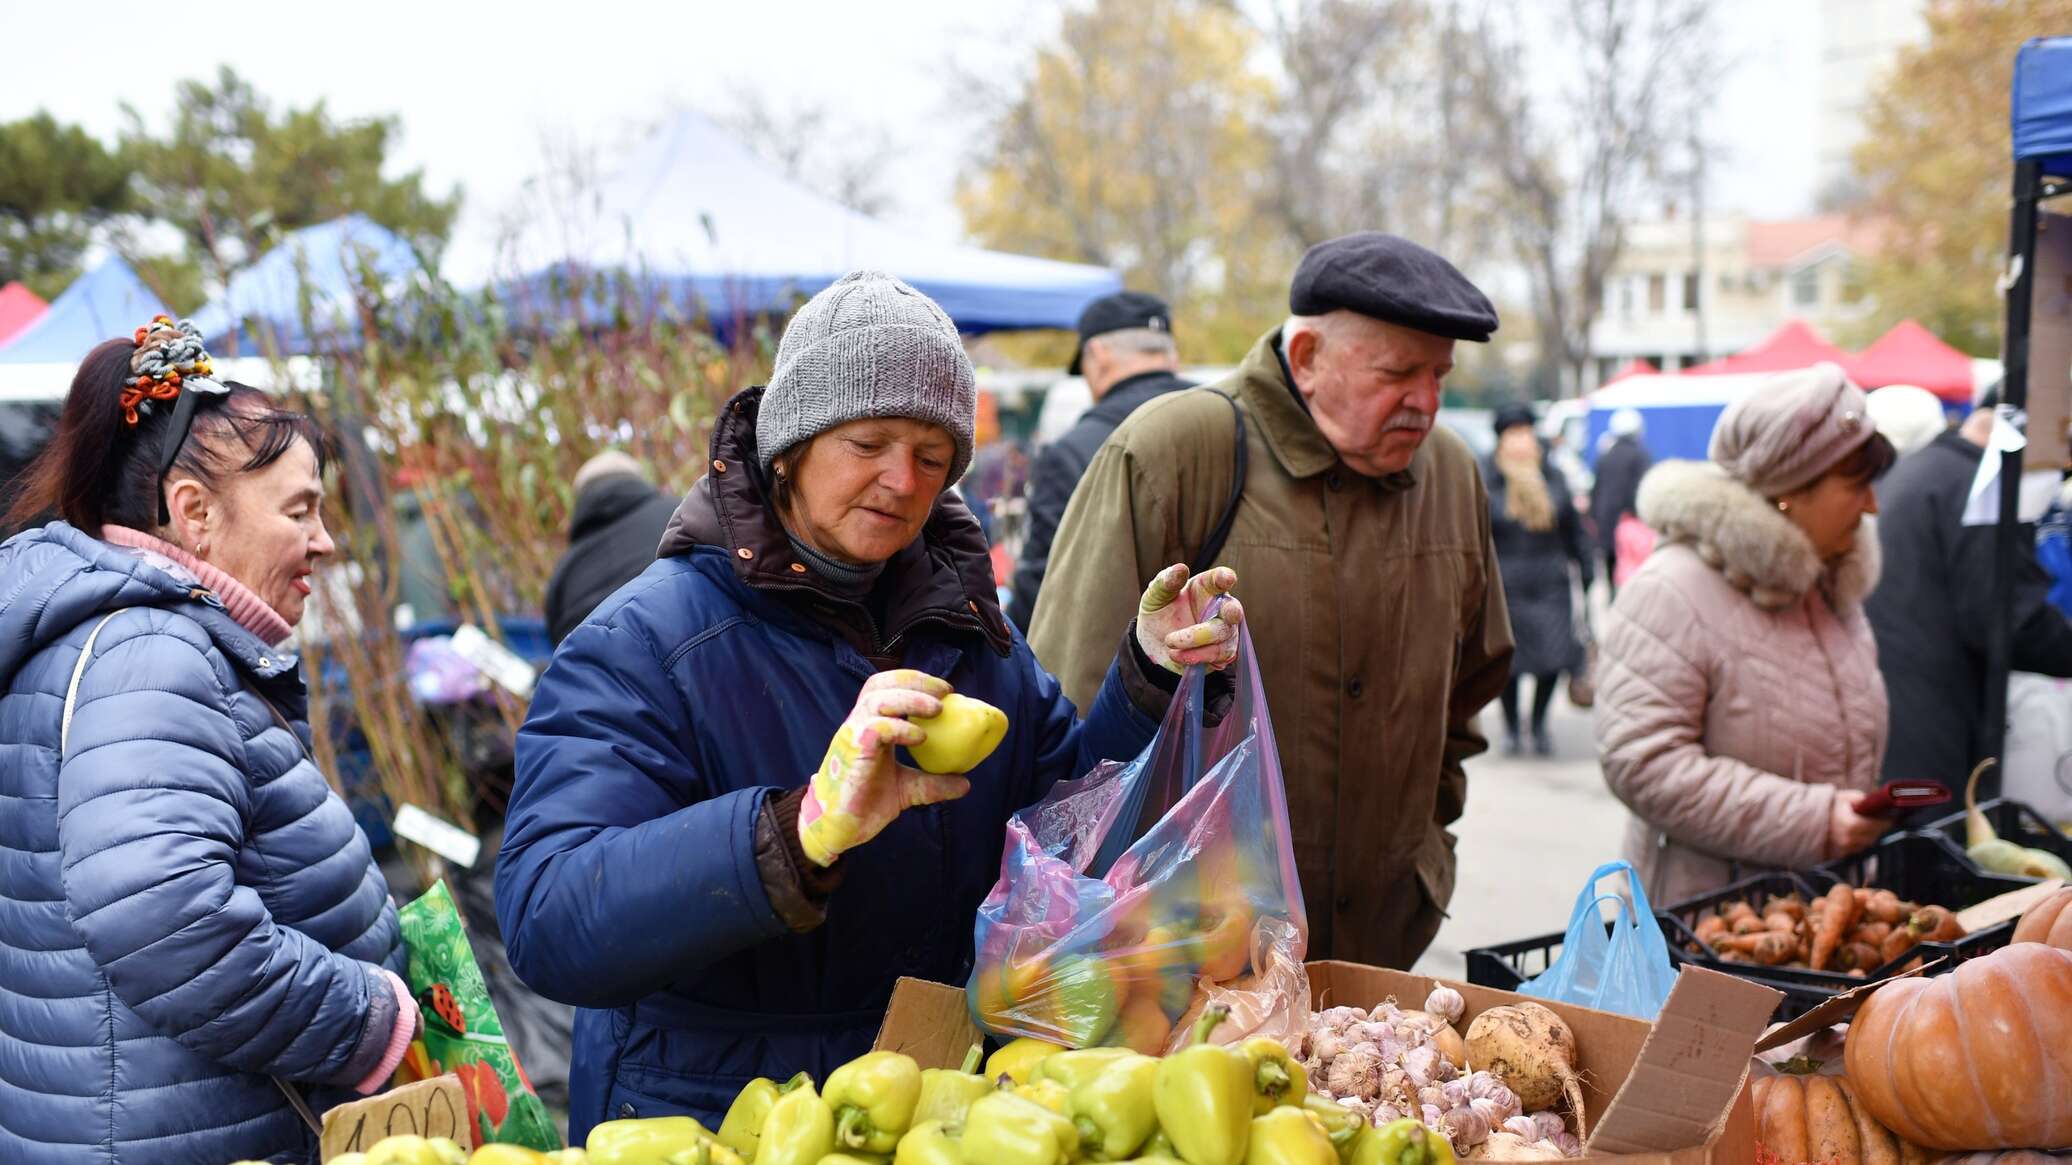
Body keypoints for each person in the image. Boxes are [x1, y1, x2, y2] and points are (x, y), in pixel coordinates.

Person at [494, 272, 1243, 1137]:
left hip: (931, 1111)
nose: (902, 478)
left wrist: (1147, 678)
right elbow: (549, 916)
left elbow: (1066, 835)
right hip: (714, 1124)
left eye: (933, 457)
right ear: (790, 447)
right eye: (870, 440)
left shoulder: (969, 639)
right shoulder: (646, 644)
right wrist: (796, 830)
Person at [1028, 232, 1514, 968]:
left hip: (1383, 948)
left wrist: (1424, 855)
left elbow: (1467, 693)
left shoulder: (1450, 474)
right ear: (1309, 357)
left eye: (1440, 374)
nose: (1427, 401)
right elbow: (1067, 714)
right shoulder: (1172, 451)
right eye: (1399, 372)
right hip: (1186, 963)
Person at [0, 318, 417, 1165]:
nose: (325, 542)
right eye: (300, 509)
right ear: (192, 513)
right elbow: (163, 913)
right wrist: (365, 1017)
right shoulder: (150, 652)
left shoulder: (141, 641)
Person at [1596, 363, 1898, 903]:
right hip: (1711, 933)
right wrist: (1816, 820)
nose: (1873, 505)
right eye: (1857, 486)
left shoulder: (1828, 583)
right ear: (1790, 492)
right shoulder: (1672, 591)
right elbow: (1643, 763)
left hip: (1822, 909)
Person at [1865, 388, 2072, 783]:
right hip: (1931, 723)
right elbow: (2009, 620)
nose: (2063, 462)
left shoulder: (1933, 469)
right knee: (1935, 838)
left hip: (1903, 712)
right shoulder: (1981, 488)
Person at [1006, 291, 1192, 629]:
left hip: (1121, 669)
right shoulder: (1235, 421)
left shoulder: (1070, 453)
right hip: (1236, 658)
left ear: (1098, 354)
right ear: (1171, 356)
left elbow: (1042, 588)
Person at [1486, 405, 1593, 757]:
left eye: (1525, 431)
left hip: (1550, 584)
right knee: (1508, 665)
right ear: (1501, 439)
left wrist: (1586, 568)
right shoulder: (1488, 478)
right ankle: (1513, 728)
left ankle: (1539, 723)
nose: (1521, 439)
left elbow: (1574, 530)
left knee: (1553, 660)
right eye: (1512, 432)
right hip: (1505, 585)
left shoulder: (1554, 476)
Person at [544, 449, 678, 645]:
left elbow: (558, 644)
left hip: (598, 671)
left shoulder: (565, 569)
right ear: (638, 480)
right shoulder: (679, 514)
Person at [1590, 407, 1651, 595]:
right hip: (1632, 530)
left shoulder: (1605, 456)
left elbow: (1596, 491)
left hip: (1607, 528)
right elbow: (1644, 493)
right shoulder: (1641, 456)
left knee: (1612, 578)